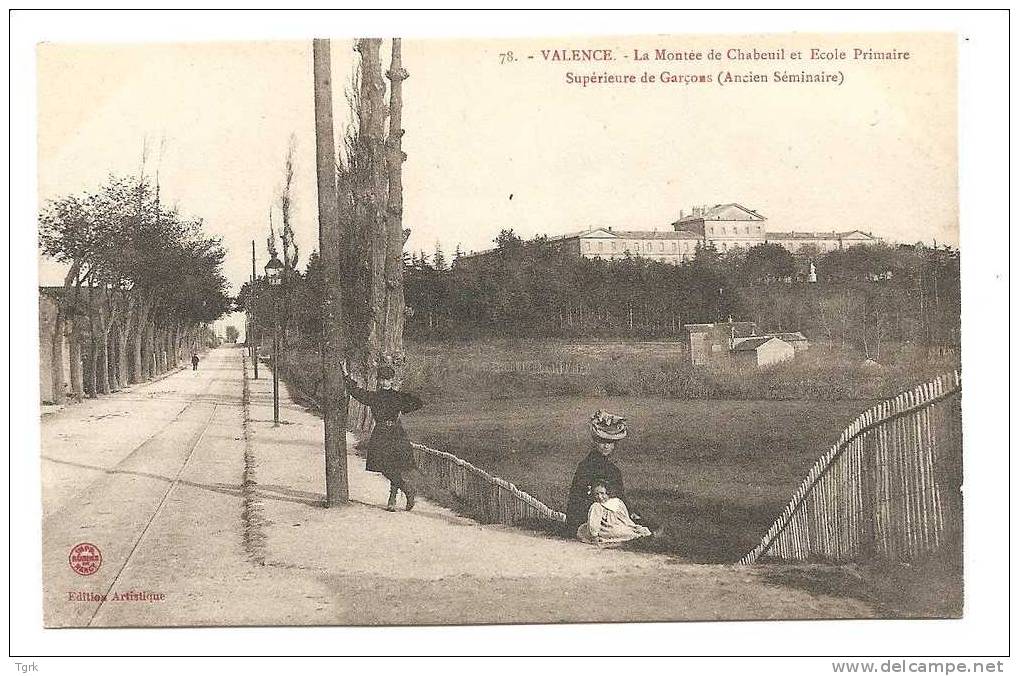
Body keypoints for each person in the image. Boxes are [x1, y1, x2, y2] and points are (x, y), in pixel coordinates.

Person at [342, 361, 423, 511]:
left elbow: (418, 403)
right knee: (383, 466)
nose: (385, 382)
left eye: (388, 379)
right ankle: (407, 489)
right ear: (378, 381)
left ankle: (392, 499)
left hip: (396, 433)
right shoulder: (374, 397)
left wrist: (402, 409)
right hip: (380, 433)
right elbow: (356, 392)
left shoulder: (398, 396)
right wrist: (346, 375)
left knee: (395, 465)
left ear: (392, 380)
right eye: (382, 379)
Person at [565, 410, 660, 538]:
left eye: (610, 443)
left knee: (643, 524)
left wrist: (629, 512)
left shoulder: (614, 470)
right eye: (602, 442)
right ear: (595, 442)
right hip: (591, 513)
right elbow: (576, 499)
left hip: (611, 511)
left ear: (614, 445)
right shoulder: (586, 467)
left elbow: (620, 495)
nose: (606, 446)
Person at [577, 481, 651, 545]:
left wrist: (594, 536)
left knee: (583, 530)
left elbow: (625, 518)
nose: (600, 497)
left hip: (610, 529)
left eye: (602, 493)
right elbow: (626, 519)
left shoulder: (610, 503)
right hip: (613, 527)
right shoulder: (612, 503)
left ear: (608, 493)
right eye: (596, 494)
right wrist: (632, 527)